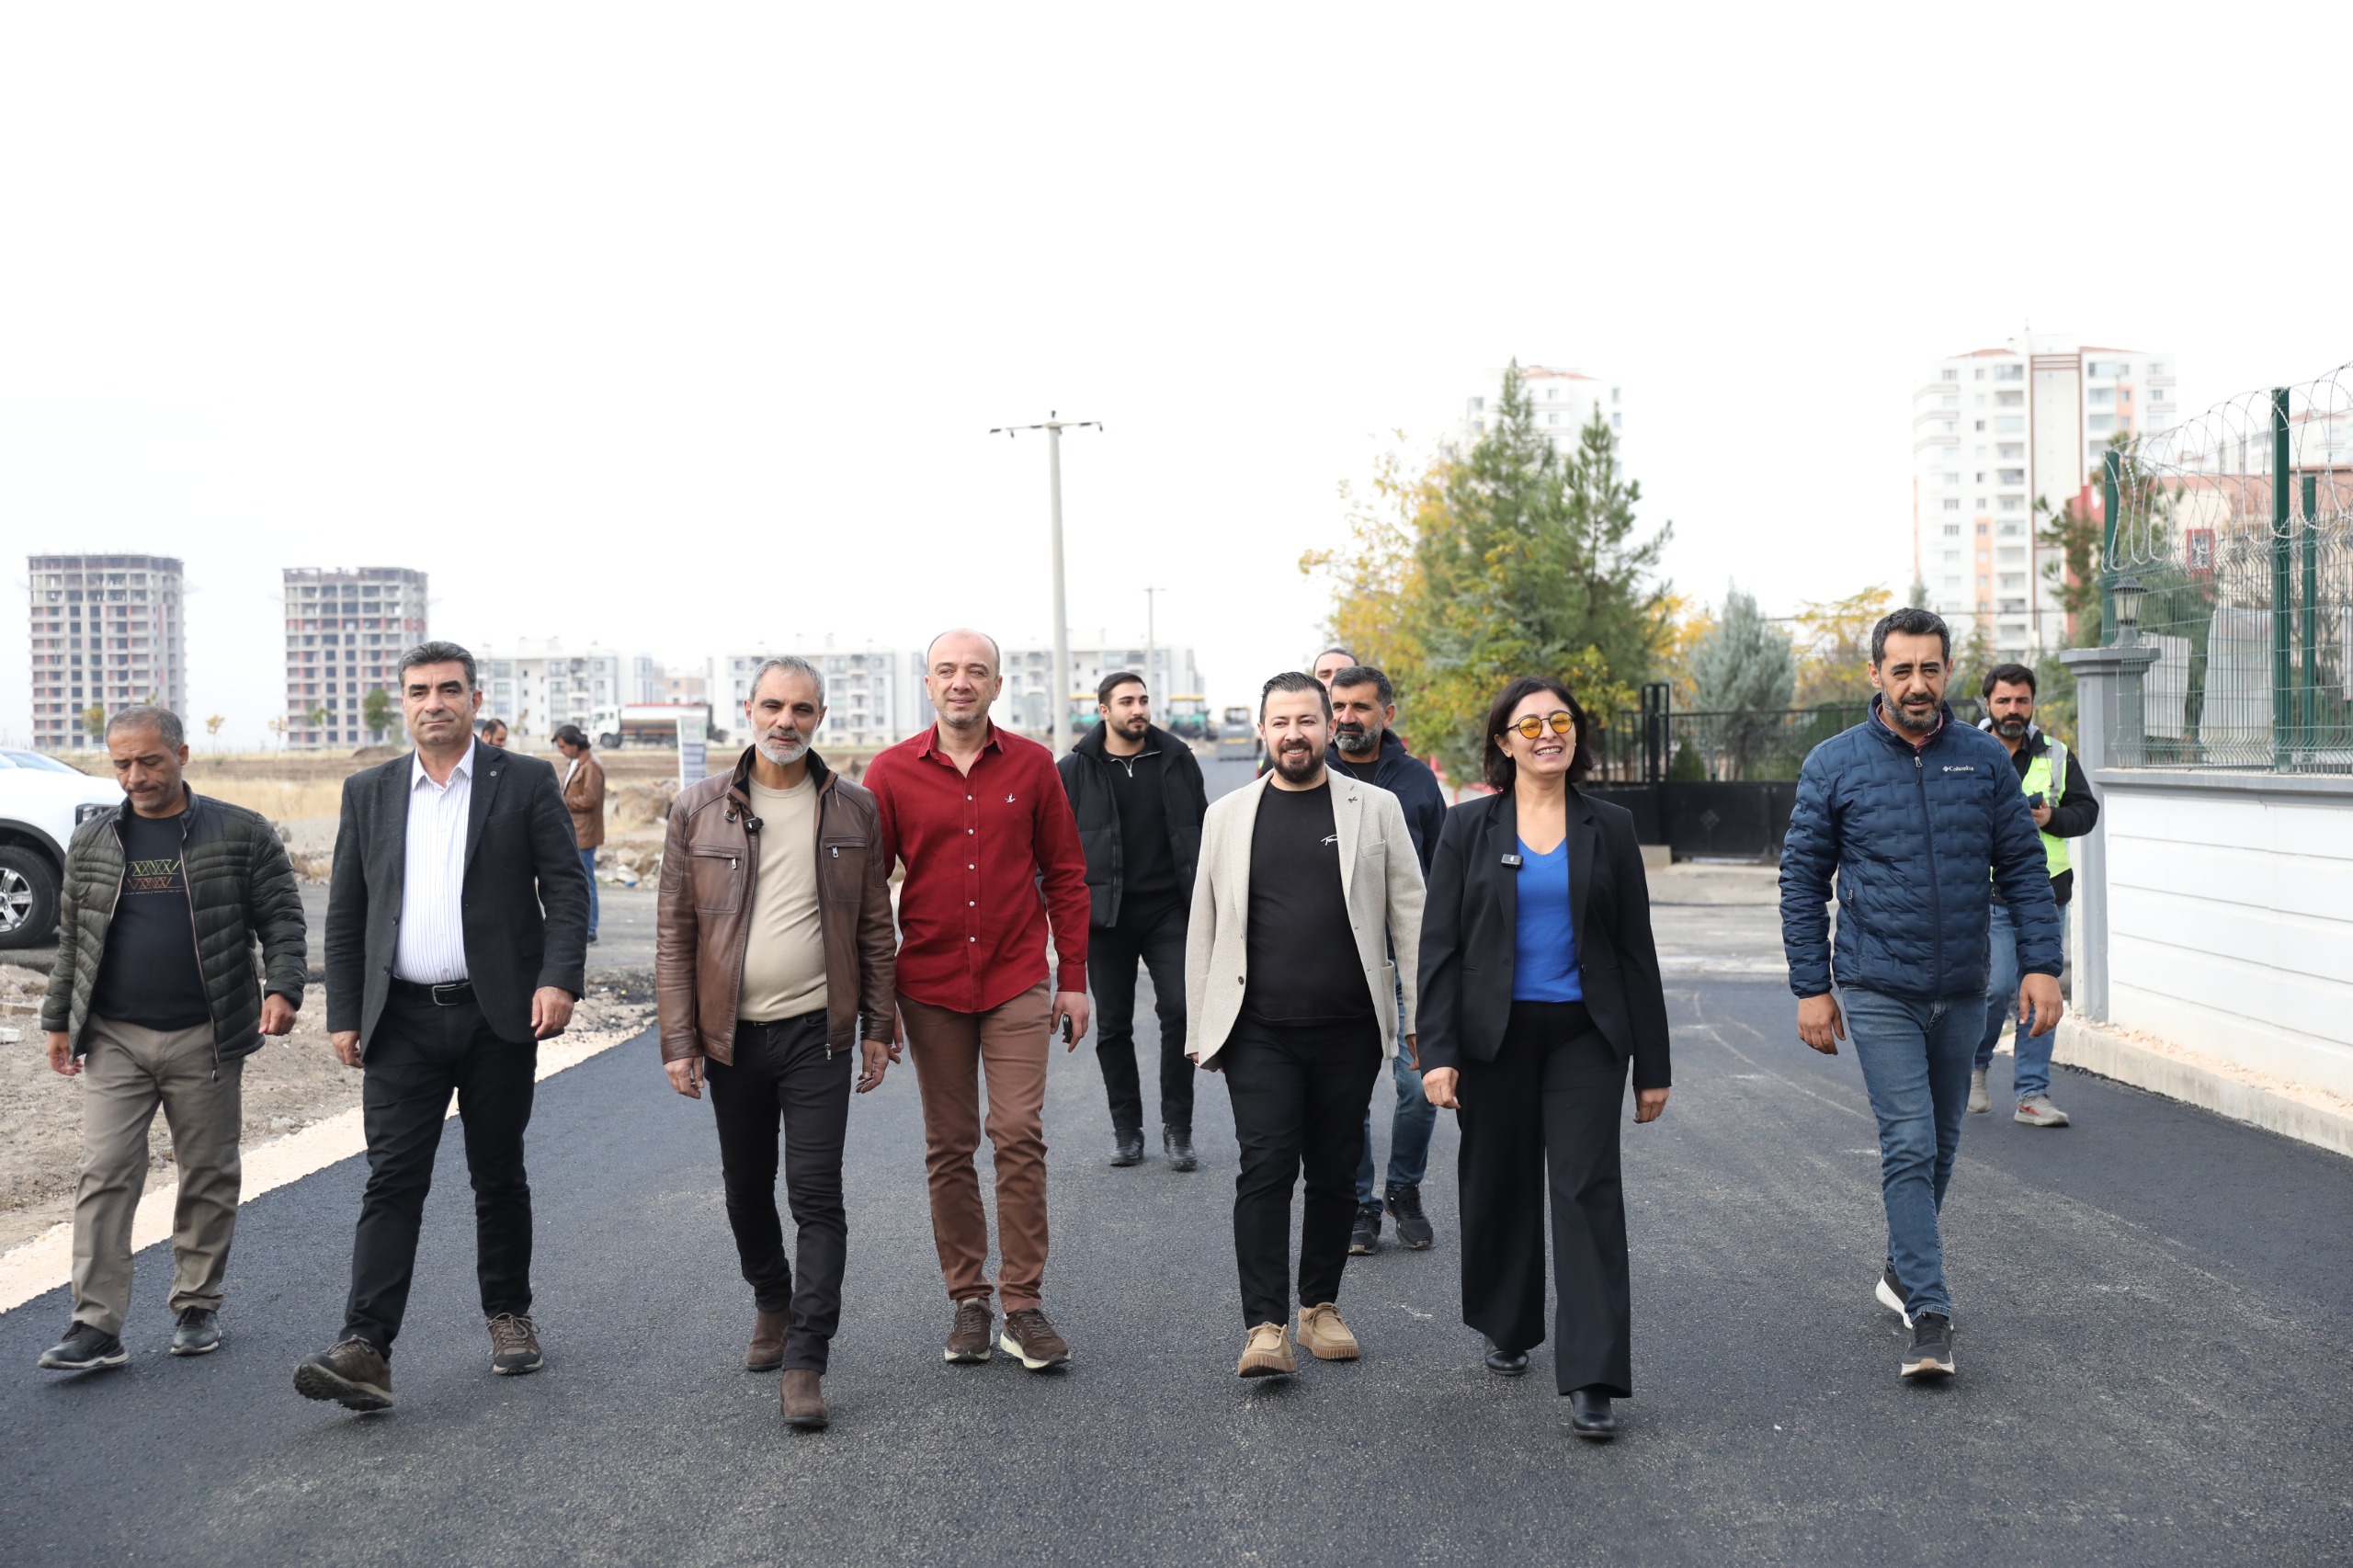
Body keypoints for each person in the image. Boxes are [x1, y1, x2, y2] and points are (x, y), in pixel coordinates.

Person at [294, 641, 590, 1414]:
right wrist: (344, 1011)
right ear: (405, 702)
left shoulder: (522, 780)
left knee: (497, 1171)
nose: (435, 703)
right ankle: (365, 1346)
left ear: (473, 699)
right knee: (393, 1177)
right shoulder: (370, 791)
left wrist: (559, 978)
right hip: (400, 1021)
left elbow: (566, 888)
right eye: (420, 690)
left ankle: (509, 1315)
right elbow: (348, 910)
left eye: (449, 689)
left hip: (499, 1016)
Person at [1779, 608, 2063, 1382]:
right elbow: (1802, 880)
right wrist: (1812, 987)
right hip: (1878, 985)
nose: (1916, 684)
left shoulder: (1984, 760)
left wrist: (2041, 965)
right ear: (1876, 674)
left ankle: (1903, 1268)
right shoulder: (1834, 763)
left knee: (1939, 1142)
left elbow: (2025, 868)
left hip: (1963, 986)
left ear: (1947, 672)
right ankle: (1930, 1314)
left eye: (1929, 669)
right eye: (1900, 669)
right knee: (1908, 1141)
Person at [1416, 677, 1671, 1440]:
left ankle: (1593, 1375)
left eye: (1559, 721)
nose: (1547, 734)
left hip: (1585, 1034)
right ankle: (1508, 1322)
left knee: (1587, 1190)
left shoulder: (1611, 826)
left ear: (1576, 734)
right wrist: (1438, 1051)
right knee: (1500, 1181)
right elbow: (1440, 947)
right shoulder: (1467, 826)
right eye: (1529, 725)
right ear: (1504, 741)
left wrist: (1653, 1064)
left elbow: (1635, 949)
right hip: (1492, 1037)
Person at [656, 656, 896, 1430]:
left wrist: (878, 1027)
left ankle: (805, 1359)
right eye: (772, 706)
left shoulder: (855, 809)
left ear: (819, 716)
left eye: (800, 709)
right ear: (749, 710)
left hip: (817, 1033)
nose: (785, 721)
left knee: (816, 1196)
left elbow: (875, 927)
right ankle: (771, 1297)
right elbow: (674, 935)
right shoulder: (698, 809)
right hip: (732, 1038)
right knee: (745, 1188)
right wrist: (679, 1040)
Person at [36, 707, 307, 1373]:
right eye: (122, 763)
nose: (135, 776)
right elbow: (74, 942)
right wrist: (56, 1018)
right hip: (115, 1037)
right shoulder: (93, 841)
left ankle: (197, 1304)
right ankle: (95, 1325)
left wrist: (283, 988)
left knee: (208, 1172)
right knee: (105, 1173)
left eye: (149, 761)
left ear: (182, 754)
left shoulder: (241, 831)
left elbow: (281, 918)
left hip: (206, 1034)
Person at [1185, 671, 1425, 1380]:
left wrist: (1424, 1017)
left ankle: (1320, 1307)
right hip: (1258, 1029)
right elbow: (1204, 924)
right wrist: (1200, 1025)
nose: (1295, 734)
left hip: (1350, 1028)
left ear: (1327, 728)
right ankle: (1265, 1326)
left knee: (1334, 1170)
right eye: (1281, 722)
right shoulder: (1228, 815)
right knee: (1264, 1168)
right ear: (1263, 731)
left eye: (1307, 721)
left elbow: (1412, 916)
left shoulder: (1376, 808)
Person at [865, 629, 1092, 1371]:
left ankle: (1022, 1305)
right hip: (928, 986)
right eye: (947, 670)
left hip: (1016, 977)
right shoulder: (890, 772)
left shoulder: (1032, 766)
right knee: (949, 1143)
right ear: (928, 683)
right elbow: (867, 893)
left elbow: (1066, 874)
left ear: (997, 685)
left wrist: (1073, 977)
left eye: (976, 671)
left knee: (1018, 1132)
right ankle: (969, 1297)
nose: (961, 681)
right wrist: (878, 1001)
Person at [1057, 671, 1208, 1170]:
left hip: (1170, 910)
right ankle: (1127, 1131)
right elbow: (1050, 846)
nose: (1138, 708)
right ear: (1104, 710)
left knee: (1181, 1014)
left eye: (1143, 699)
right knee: (1114, 1025)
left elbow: (1203, 828)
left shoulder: (1178, 759)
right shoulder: (1074, 770)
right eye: (1126, 701)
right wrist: (1058, 905)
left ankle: (1178, 1130)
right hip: (1106, 915)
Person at [1325, 664, 1448, 1256]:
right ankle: (1359, 1204)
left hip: (1408, 956)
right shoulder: (1310, 775)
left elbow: (1444, 870)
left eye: (1360, 707)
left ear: (1387, 714)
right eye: (1338, 707)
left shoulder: (1417, 781)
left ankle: (1404, 1188)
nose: (1347, 718)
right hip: (1339, 958)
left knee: (1420, 1085)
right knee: (1347, 1091)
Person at [1972, 664, 2097, 1127]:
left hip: (2047, 896)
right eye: (2004, 700)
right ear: (1988, 703)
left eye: (2021, 700)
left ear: (2032, 704)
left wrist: (2051, 819)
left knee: (2042, 995)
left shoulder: (2057, 754)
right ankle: (1975, 1066)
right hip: (1990, 895)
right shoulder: (1966, 752)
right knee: (1996, 988)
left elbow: (2087, 812)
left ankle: (2031, 1094)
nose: (2013, 709)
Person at [553, 724, 606, 945]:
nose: (562, 751)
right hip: (573, 832)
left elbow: (590, 799)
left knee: (587, 883)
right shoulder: (575, 763)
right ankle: (582, 927)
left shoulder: (591, 765)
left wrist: (562, 801)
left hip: (585, 833)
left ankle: (591, 929)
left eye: (563, 746)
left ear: (575, 743)